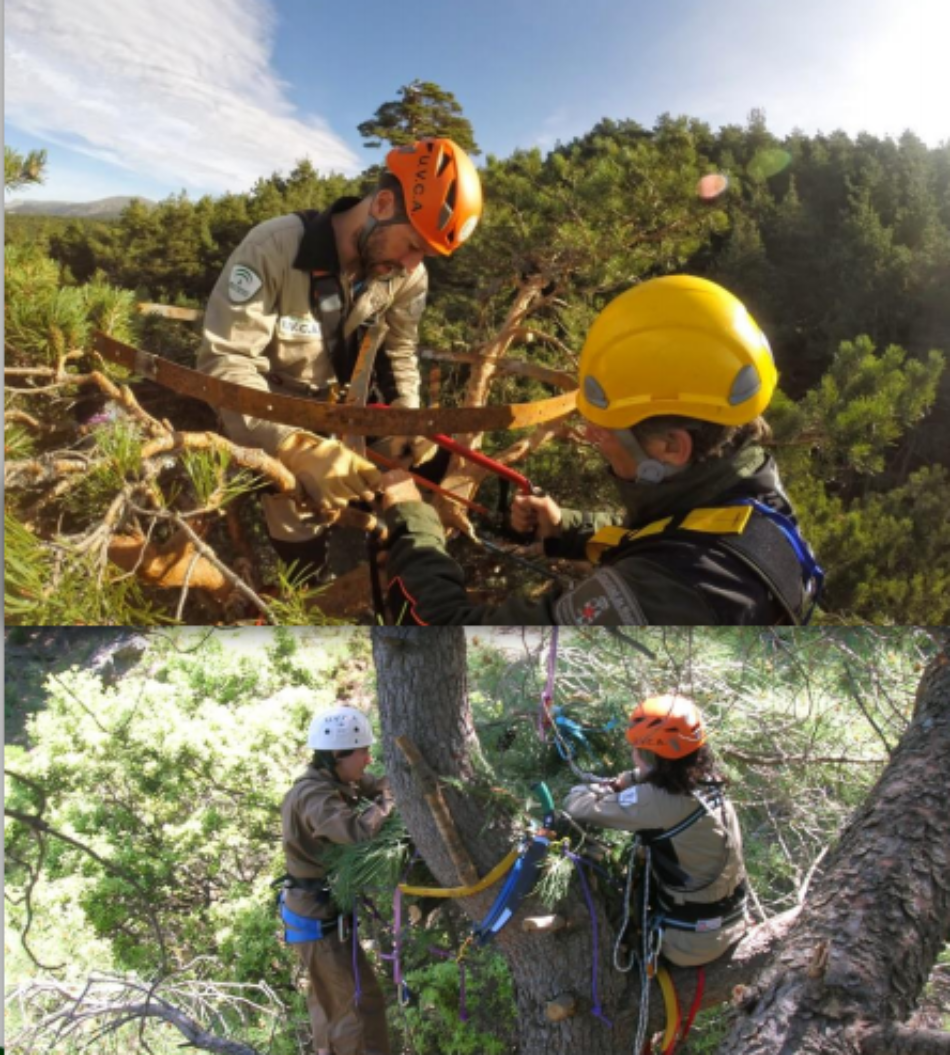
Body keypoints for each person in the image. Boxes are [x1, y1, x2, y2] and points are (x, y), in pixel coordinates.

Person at [377, 274, 822, 624]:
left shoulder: (671, 597)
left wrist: (413, 522)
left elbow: (442, 630)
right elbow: (679, 535)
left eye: (605, 429)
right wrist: (567, 528)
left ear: (672, 446)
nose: (591, 436)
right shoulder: (746, 493)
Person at [197, 138, 482, 578]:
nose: (412, 265)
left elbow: (400, 350)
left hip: (354, 414)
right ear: (383, 204)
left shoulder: (408, 275)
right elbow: (225, 362)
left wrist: (407, 415)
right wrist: (294, 446)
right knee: (299, 529)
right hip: (276, 415)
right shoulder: (274, 248)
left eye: (425, 254)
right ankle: (308, 589)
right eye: (412, 245)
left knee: (430, 470)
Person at [562, 694, 748, 968]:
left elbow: (577, 806)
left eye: (637, 748)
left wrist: (608, 787)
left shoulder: (656, 801)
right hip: (732, 922)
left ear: (650, 756)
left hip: (687, 945)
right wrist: (638, 776)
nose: (633, 754)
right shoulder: (709, 781)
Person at [280, 705, 395, 1055]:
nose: (367, 758)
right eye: (361, 751)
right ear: (335, 755)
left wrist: (387, 791)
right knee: (353, 1013)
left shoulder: (338, 779)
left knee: (336, 1003)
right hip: (318, 919)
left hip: (321, 913)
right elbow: (358, 831)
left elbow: (380, 782)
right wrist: (390, 802)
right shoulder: (312, 796)